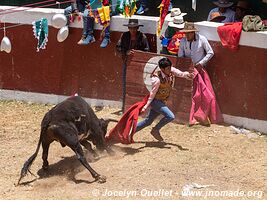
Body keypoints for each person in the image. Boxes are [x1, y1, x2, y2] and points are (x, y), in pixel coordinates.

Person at [135, 57, 193, 141]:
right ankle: (155, 130)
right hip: (156, 101)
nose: (170, 69)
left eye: (170, 67)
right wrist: (145, 106)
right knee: (170, 116)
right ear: (162, 69)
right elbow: (152, 94)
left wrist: (187, 75)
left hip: (162, 101)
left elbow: (180, 73)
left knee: (148, 121)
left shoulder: (170, 70)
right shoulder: (156, 79)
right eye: (168, 68)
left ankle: (130, 131)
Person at [178, 22, 223, 126]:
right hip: (187, 71)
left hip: (199, 71)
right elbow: (180, 56)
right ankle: (191, 115)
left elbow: (210, 52)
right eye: (186, 33)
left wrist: (201, 63)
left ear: (194, 32)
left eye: (189, 33)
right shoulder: (183, 41)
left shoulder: (202, 39)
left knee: (203, 94)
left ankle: (203, 115)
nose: (187, 35)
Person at [116, 19, 150, 112]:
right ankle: (125, 107)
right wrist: (126, 52)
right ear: (128, 28)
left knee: (138, 86)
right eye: (131, 28)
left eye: (134, 28)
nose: (133, 30)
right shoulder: (124, 36)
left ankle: (137, 108)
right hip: (127, 63)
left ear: (138, 28)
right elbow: (118, 48)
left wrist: (137, 54)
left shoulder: (142, 37)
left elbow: (147, 51)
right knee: (126, 85)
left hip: (139, 66)